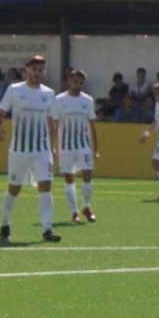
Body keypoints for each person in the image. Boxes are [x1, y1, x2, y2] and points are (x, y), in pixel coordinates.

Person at [0, 54, 62, 242]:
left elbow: (52, 121)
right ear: (27, 70)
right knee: (14, 188)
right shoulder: (14, 90)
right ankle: (4, 224)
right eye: (34, 69)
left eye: (41, 70)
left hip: (42, 151)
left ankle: (47, 229)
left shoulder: (48, 93)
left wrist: (52, 146)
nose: (37, 73)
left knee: (45, 186)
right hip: (19, 151)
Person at [49, 69, 99, 224]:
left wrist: (95, 148)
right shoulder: (59, 100)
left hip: (83, 145)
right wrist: (52, 146)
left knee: (87, 174)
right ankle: (74, 212)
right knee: (69, 179)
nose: (78, 85)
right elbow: (55, 125)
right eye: (76, 82)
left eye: (81, 83)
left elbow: (91, 125)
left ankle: (86, 206)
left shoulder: (88, 100)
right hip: (66, 147)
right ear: (70, 80)